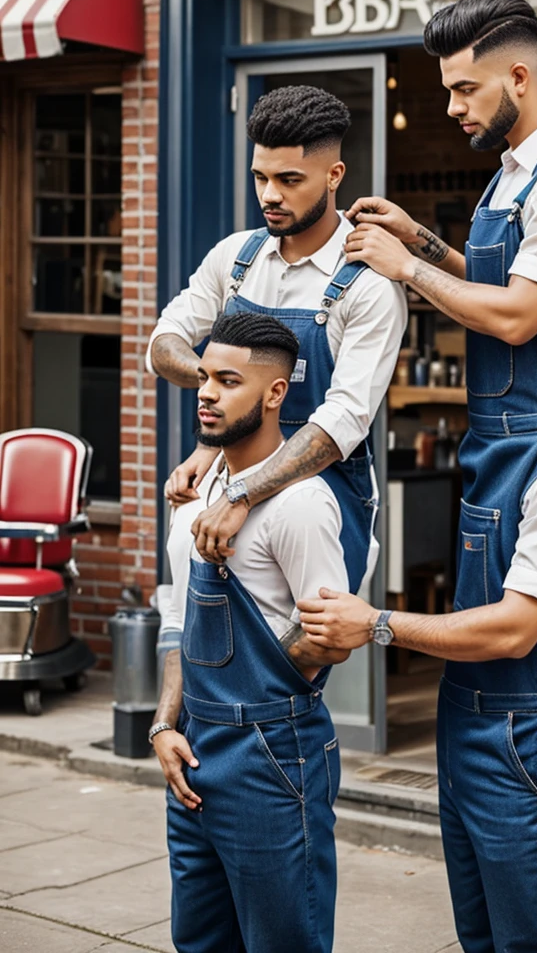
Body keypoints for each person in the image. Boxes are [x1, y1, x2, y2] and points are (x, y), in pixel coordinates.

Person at [298, 0, 537, 953]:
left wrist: (405, 272)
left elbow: (521, 315)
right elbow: (490, 283)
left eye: (462, 87)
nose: (449, 105)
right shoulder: (512, 177)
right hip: (471, 717)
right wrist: (425, 241)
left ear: (518, 76)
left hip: (520, 738)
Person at [146, 84, 406, 597]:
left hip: (320, 497)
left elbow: (341, 424)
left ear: (334, 177)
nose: (269, 195)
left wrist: (242, 492)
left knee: (296, 658)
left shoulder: (370, 284)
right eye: (260, 177)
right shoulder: (235, 259)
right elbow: (164, 340)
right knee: (192, 639)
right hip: (226, 482)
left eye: (289, 180)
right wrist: (222, 392)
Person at [151, 312, 351, 953]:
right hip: (192, 749)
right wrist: (164, 725)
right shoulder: (196, 490)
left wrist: (251, 702)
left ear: (274, 393)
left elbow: (331, 636)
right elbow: (180, 618)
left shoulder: (301, 504)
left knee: (283, 942)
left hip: (273, 754)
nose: (206, 391)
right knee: (200, 941)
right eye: (204, 376)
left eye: (228, 381)